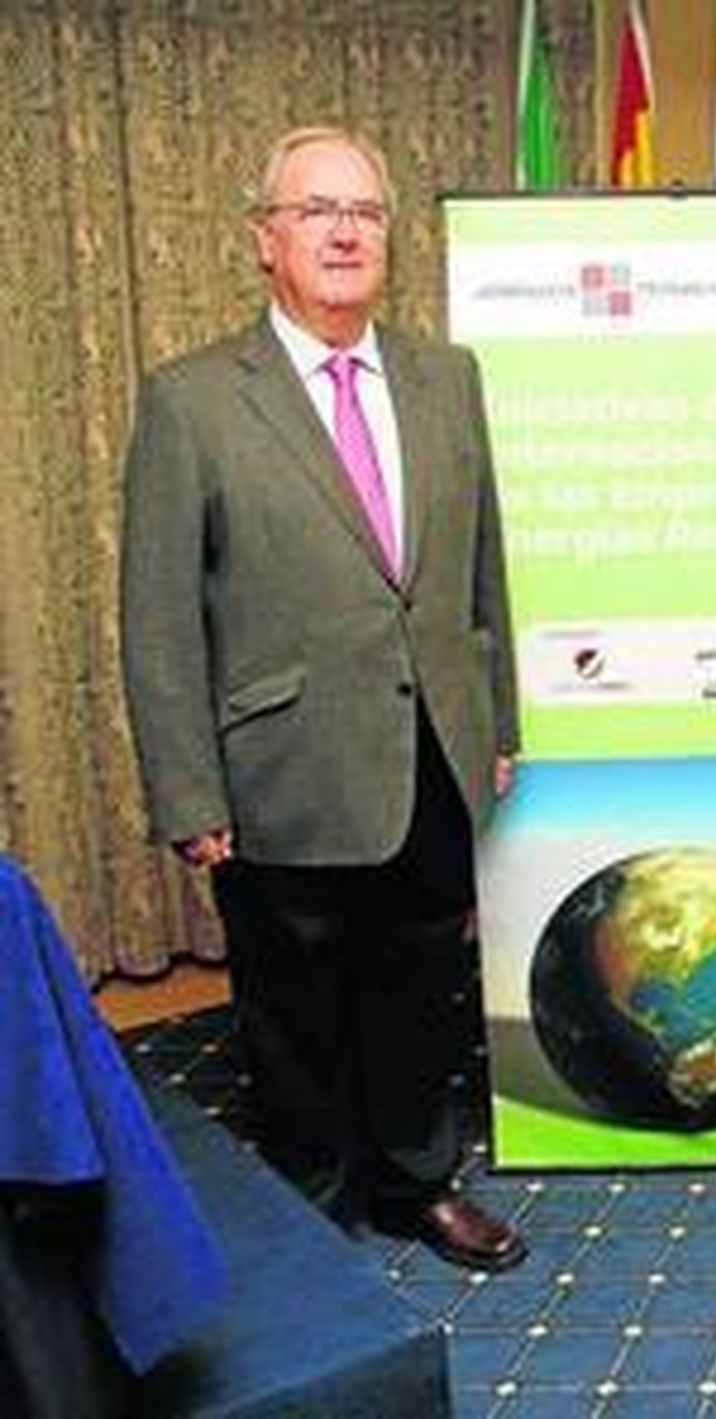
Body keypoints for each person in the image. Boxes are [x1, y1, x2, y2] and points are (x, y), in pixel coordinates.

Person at [120, 127, 526, 1272]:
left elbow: (486, 568)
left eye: (366, 211)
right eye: (316, 210)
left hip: (433, 749)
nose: (346, 231)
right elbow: (156, 613)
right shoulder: (193, 401)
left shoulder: (449, 378)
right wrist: (187, 787)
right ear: (266, 240)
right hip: (280, 768)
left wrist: (500, 725)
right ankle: (312, 1199)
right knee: (289, 1010)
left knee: (417, 988)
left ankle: (415, 1182)